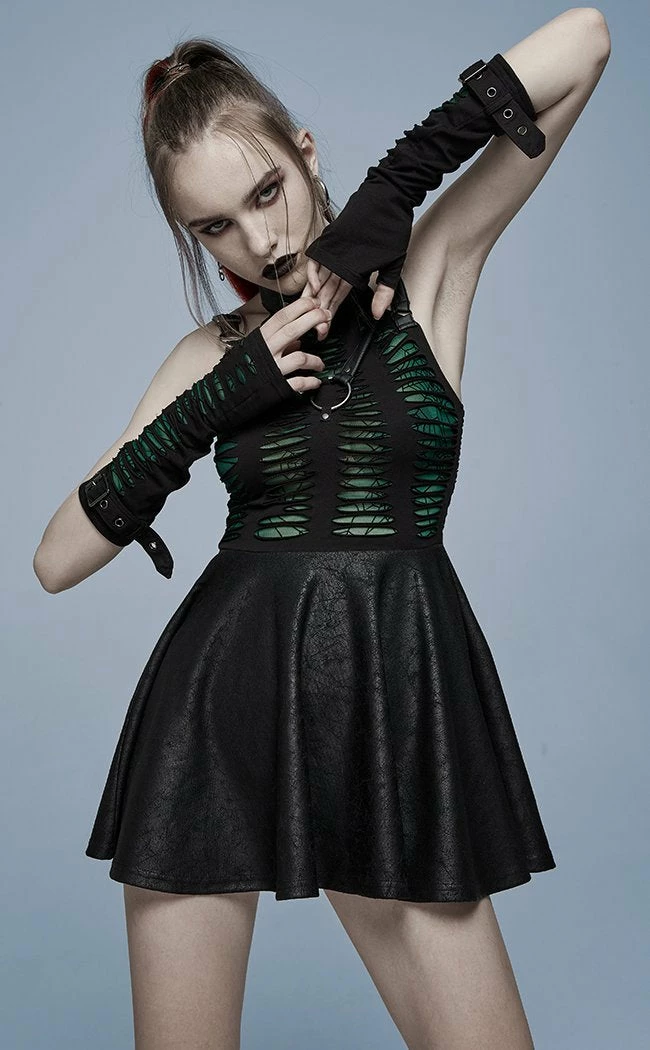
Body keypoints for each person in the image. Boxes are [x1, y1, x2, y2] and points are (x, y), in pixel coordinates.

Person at [34, 11, 610, 1049]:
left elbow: (584, 41)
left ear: (305, 153)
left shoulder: (427, 277)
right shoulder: (209, 356)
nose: (259, 241)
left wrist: (397, 186)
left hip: (394, 706)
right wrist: (217, 400)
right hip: (217, 716)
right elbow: (56, 559)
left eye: (266, 192)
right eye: (215, 226)